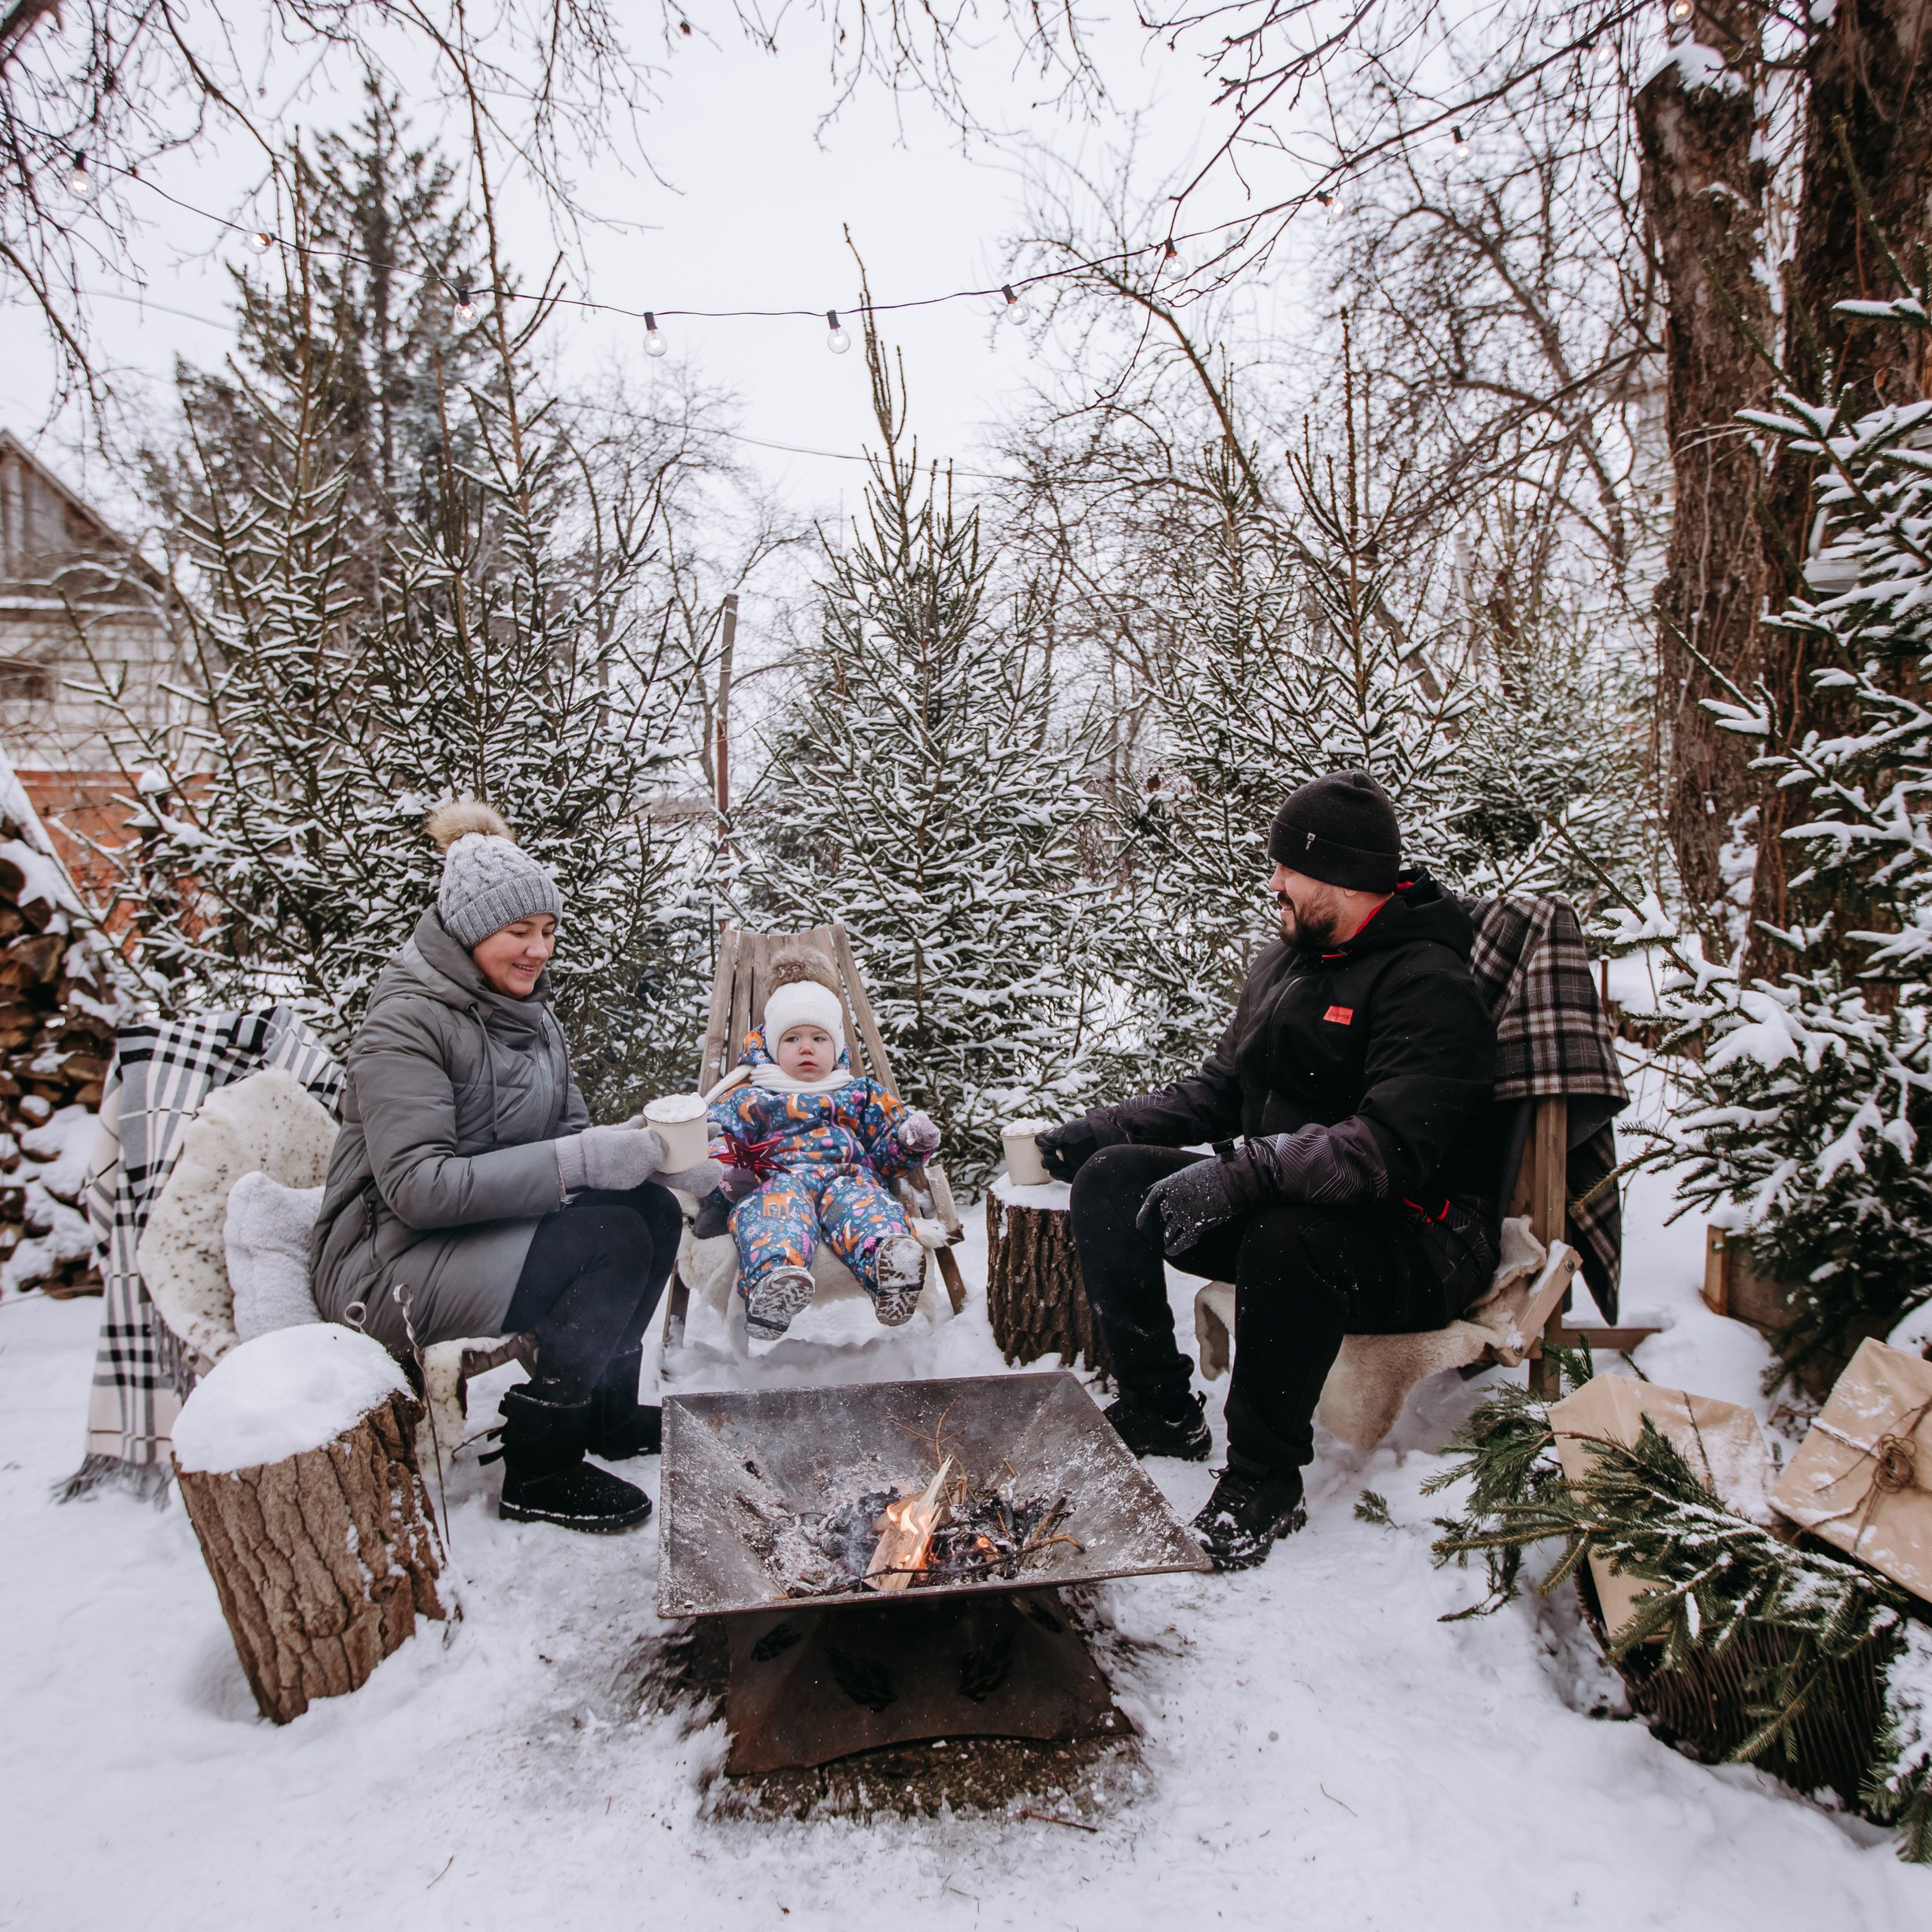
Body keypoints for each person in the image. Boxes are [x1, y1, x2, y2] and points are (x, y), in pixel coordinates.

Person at [1037, 771, 1500, 1572]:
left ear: (1342, 876)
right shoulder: (1288, 960)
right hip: (1290, 1197)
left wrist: (1246, 1172)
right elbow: (1222, 1090)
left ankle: (1262, 1479)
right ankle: (1160, 1407)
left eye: (1287, 868)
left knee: (1288, 1238)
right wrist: (1095, 1131)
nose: (1273, 882)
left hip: (1418, 1236)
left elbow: (1388, 1147)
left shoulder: (1429, 984)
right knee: (1113, 1180)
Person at [312, 802, 720, 1534]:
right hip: (385, 1267)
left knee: (650, 1216)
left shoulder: (530, 1017)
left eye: (547, 931)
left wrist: (658, 1157)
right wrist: (584, 1157)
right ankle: (540, 1465)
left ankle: (605, 1412)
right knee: (609, 1241)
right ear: (469, 933)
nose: (539, 950)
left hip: (472, 1235)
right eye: (518, 932)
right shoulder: (405, 1023)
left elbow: (570, 1141)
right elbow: (416, 1187)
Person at [698, 946, 940, 1340]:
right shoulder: (751, 1095)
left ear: (838, 1048)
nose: (806, 1047)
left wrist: (910, 1143)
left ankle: (890, 1268)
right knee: (773, 1219)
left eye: (818, 1038)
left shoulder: (860, 1094)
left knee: (870, 1209)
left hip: (848, 1178)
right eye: (792, 1038)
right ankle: (775, 1284)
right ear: (773, 1047)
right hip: (776, 1180)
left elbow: (886, 1153)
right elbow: (714, 1139)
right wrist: (727, 1172)